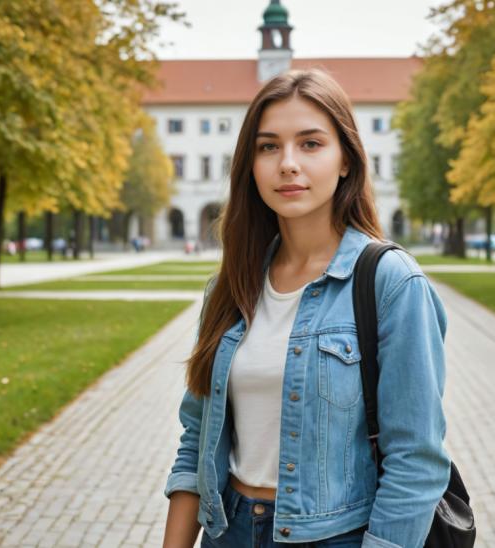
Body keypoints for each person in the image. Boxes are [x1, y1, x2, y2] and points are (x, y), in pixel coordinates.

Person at [162, 70, 451, 548]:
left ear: (345, 161)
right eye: (268, 146)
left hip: (337, 537)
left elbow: (416, 462)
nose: (287, 164)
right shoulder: (229, 288)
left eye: (311, 144)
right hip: (226, 530)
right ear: (250, 165)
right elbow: (197, 441)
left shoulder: (390, 282)